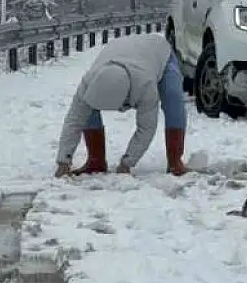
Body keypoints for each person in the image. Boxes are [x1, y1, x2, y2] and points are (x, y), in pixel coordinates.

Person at [54, 32, 188, 178]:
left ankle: (175, 161)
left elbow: (147, 128)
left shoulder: (145, 85)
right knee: (86, 110)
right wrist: (63, 161)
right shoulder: (89, 83)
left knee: (173, 99)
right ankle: (96, 161)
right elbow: (74, 121)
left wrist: (127, 163)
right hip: (120, 53)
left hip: (160, 54)